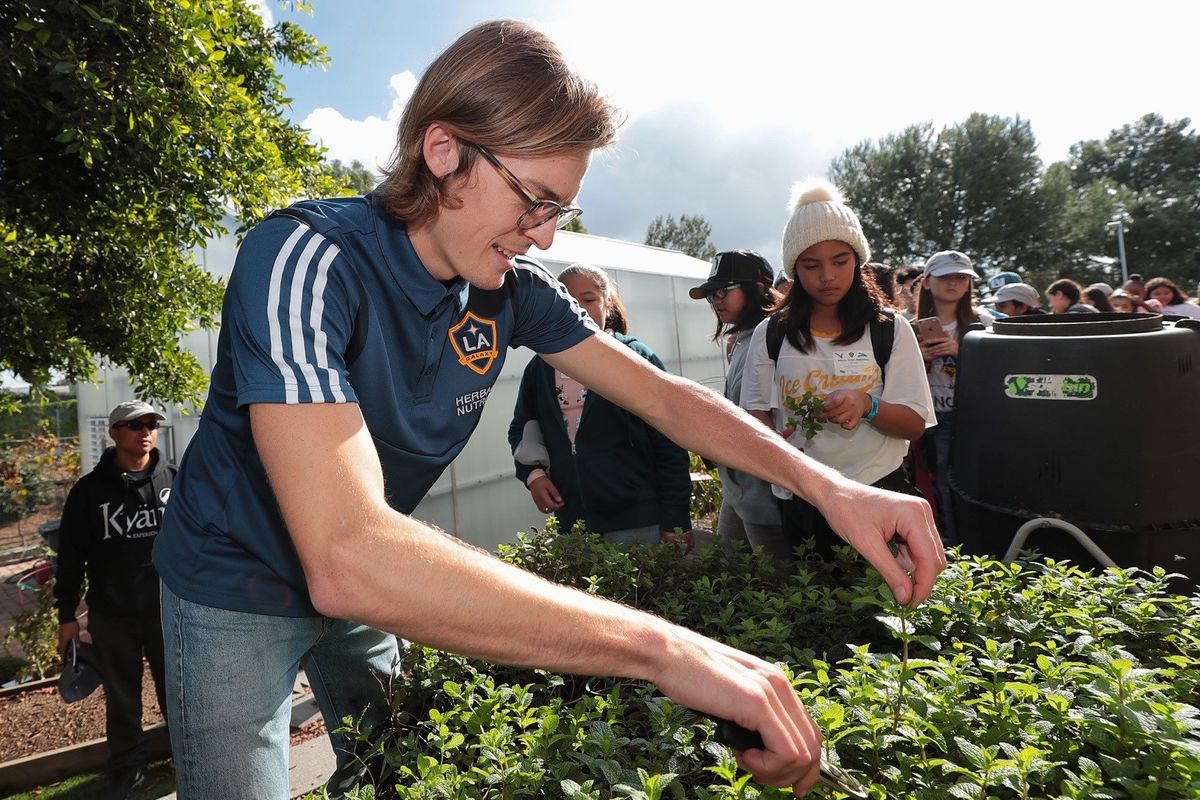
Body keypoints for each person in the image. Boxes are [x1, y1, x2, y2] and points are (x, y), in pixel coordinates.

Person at [153, 20, 945, 799]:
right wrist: (665, 649)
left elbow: (664, 397)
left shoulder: (509, 291)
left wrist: (831, 489)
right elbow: (348, 553)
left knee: (391, 770)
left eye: (559, 213)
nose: (540, 240)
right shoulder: (305, 259)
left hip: (370, 581)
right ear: (443, 153)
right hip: (235, 583)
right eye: (534, 202)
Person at [741, 181, 935, 560]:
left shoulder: (888, 329)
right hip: (803, 494)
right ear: (795, 269)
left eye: (840, 261)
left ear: (858, 261)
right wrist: (774, 439)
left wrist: (867, 406)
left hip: (879, 489)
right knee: (819, 606)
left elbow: (915, 424)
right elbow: (756, 413)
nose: (827, 276)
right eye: (812, 266)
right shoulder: (773, 333)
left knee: (887, 606)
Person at [508, 264, 692, 546]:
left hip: (638, 523)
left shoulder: (634, 358)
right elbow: (523, 426)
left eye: (589, 299)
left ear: (608, 303)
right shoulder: (541, 367)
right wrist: (533, 476)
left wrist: (676, 521)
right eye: (568, 299)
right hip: (574, 524)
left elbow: (670, 442)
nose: (578, 307)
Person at [55, 401, 174, 800]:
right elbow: (70, 558)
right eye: (134, 424)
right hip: (112, 616)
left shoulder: (176, 481)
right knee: (122, 701)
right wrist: (66, 616)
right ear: (114, 433)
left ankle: (186, 755)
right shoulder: (88, 493)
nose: (145, 431)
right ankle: (128, 770)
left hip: (168, 613)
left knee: (177, 692)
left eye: (151, 424)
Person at [688, 249, 787, 559]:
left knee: (774, 585)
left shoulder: (774, 338)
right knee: (728, 573)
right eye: (710, 295)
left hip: (766, 495)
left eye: (723, 290)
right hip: (739, 487)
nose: (716, 300)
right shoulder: (744, 339)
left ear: (758, 288)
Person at [914, 250, 994, 546]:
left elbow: (997, 372)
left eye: (961, 277)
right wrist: (918, 359)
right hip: (923, 417)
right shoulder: (908, 327)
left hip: (968, 417)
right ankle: (942, 544)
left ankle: (965, 546)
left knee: (965, 484)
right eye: (945, 276)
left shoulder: (982, 322)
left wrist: (960, 352)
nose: (953, 283)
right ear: (925, 282)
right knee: (930, 485)